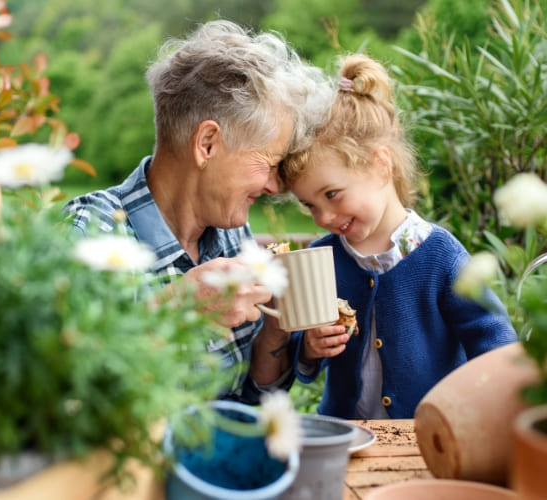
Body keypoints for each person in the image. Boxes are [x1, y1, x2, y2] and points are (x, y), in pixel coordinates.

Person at [64, 20, 333, 404]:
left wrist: (276, 328)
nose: (274, 187)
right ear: (207, 144)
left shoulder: (229, 235)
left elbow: (251, 400)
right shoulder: (91, 232)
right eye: (268, 163)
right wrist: (177, 310)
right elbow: (56, 382)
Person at [279, 53, 517, 419]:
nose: (323, 217)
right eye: (310, 205)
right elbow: (302, 351)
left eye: (331, 195)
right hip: (346, 435)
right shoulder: (323, 258)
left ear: (380, 165)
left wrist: (487, 408)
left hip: (426, 439)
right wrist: (310, 347)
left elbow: (493, 340)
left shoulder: (440, 255)